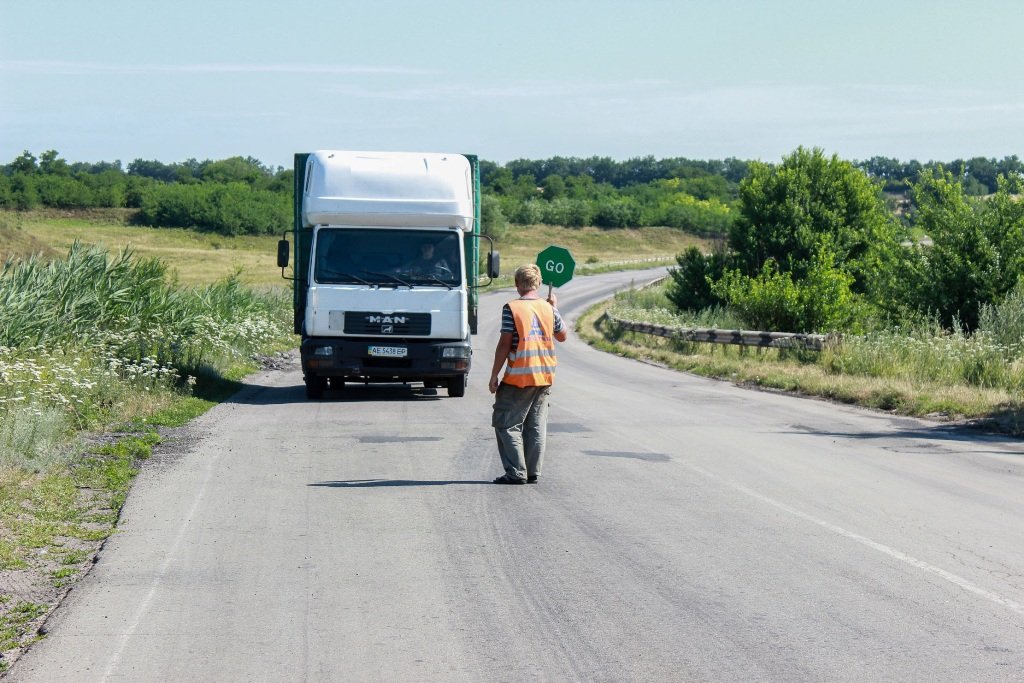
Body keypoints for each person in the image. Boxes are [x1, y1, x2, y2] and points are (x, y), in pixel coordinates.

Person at [488, 263, 568, 485]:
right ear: (538, 284)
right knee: (535, 425)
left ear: (517, 284)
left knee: (506, 423)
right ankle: (532, 472)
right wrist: (554, 308)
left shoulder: (512, 308)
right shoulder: (548, 308)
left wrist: (494, 374)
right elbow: (562, 336)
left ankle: (516, 472)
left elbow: (505, 344)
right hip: (544, 375)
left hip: (519, 376)